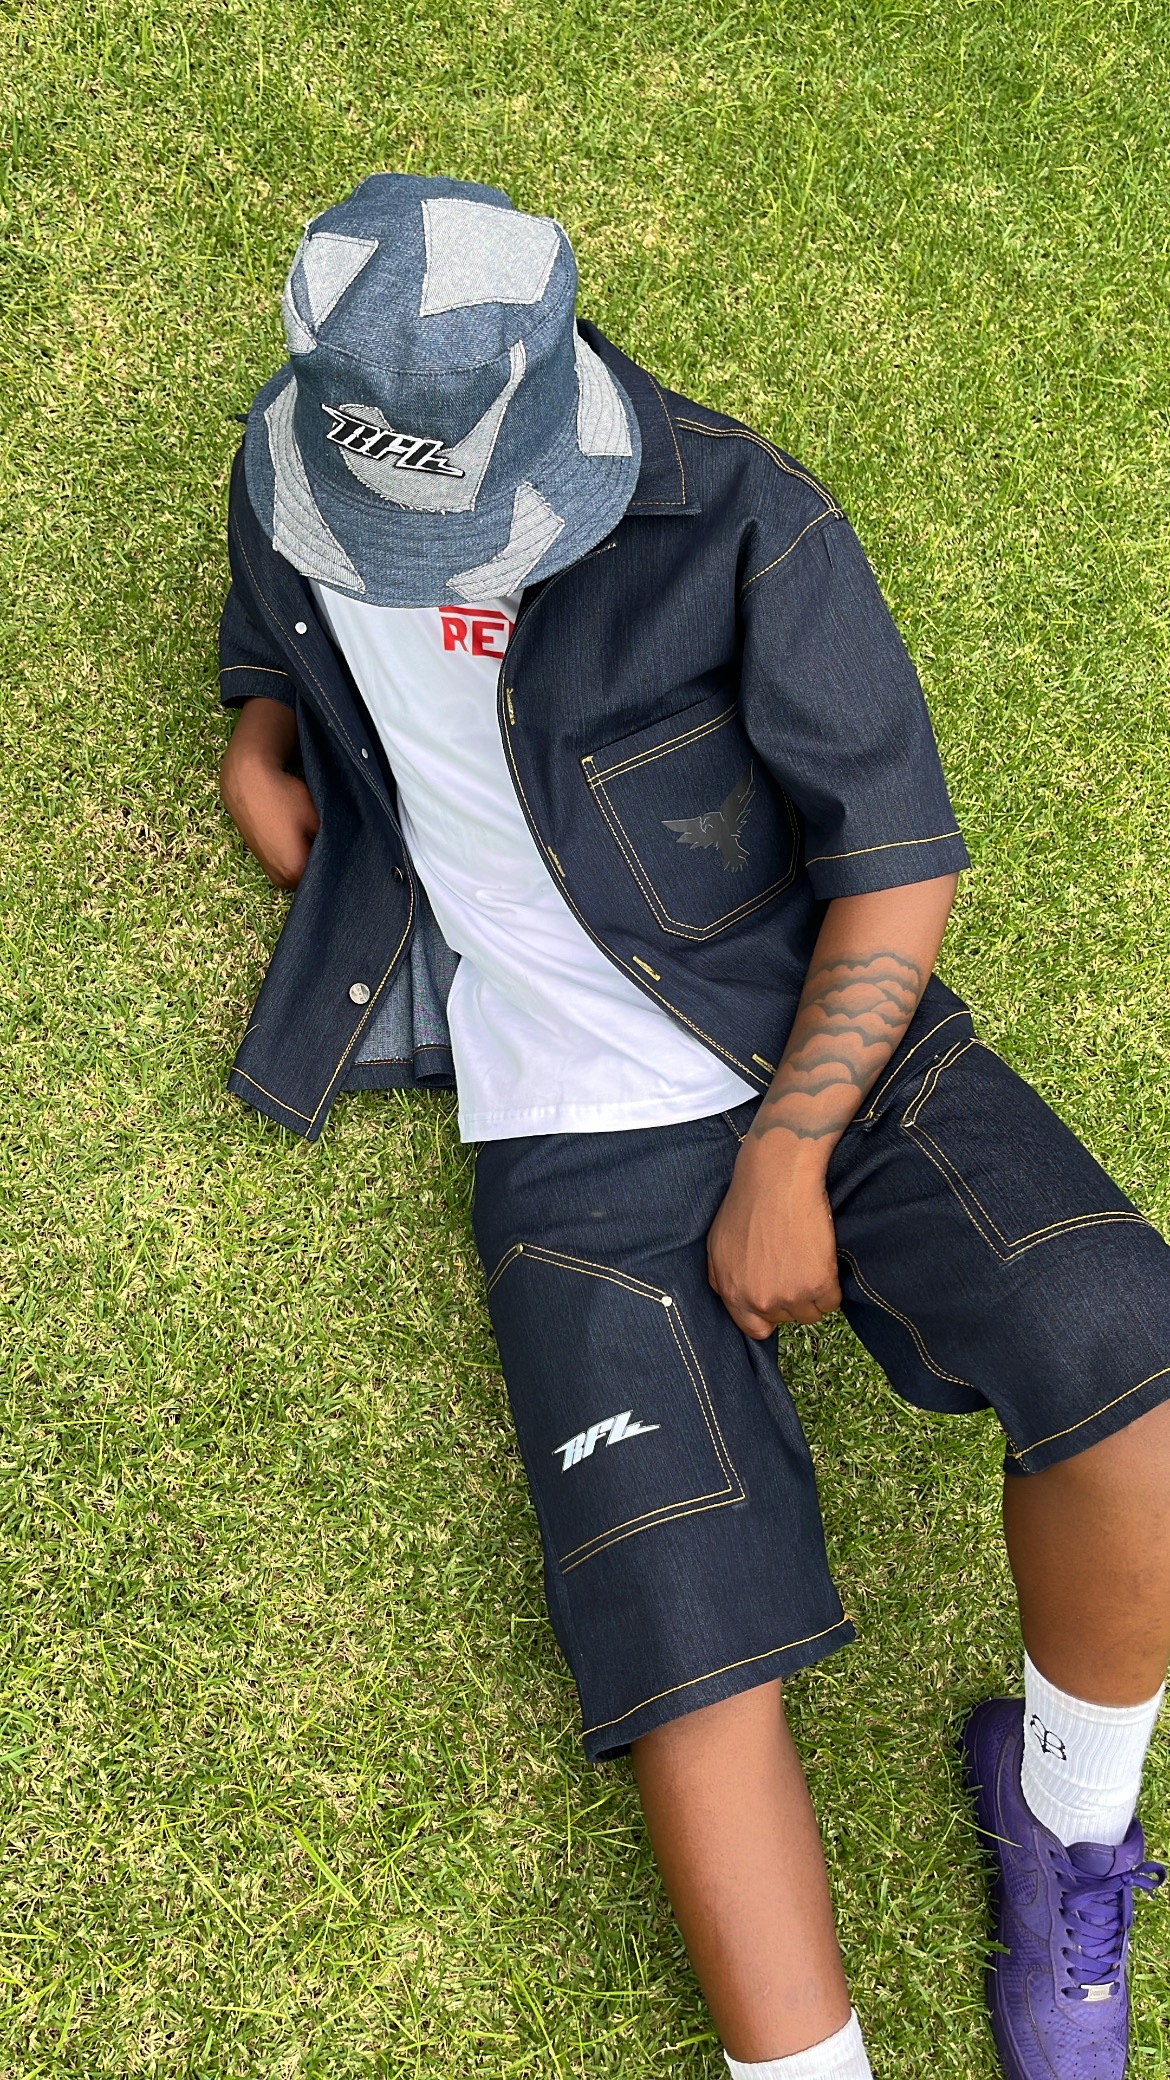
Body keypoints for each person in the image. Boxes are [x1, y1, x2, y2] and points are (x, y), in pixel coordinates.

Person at [215, 172, 1170, 2080]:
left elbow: (894, 865)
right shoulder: (294, 472)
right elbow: (273, 626)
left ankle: (1066, 1814)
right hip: (560, 1140)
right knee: (679, 1627)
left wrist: (784, 1159)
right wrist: (261, 732)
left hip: (824, 1043)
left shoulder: (738, 513)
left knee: (1127, 1360)